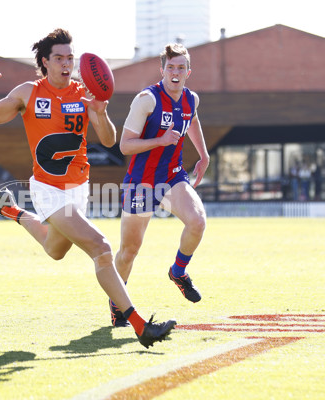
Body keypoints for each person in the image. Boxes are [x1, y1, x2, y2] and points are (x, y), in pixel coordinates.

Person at [0, 28, 175, 348]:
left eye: (70, 57)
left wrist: (101, 112)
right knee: (102, 248)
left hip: (77, 188)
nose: (67, 63)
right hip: (48, 189)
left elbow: (109, 141)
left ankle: (8, 206)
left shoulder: (83, 94)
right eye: (59, 58)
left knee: (55, 250)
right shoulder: (28, 92)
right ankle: (139, 325)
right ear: (44, 62)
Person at [110, 43, 209, 327]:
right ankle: (118, 303)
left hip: (172, 177)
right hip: (141, 182)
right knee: (129, 250)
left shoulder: (192, 99)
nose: (175, 72)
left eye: (181, 68)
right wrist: (160, 140)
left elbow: (192, 121)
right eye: (170, 67)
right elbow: (125, 146)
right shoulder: (146, 100)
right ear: (162, 69)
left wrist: (203, 154)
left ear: (189, 71)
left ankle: (178, 272)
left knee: (197, 221)